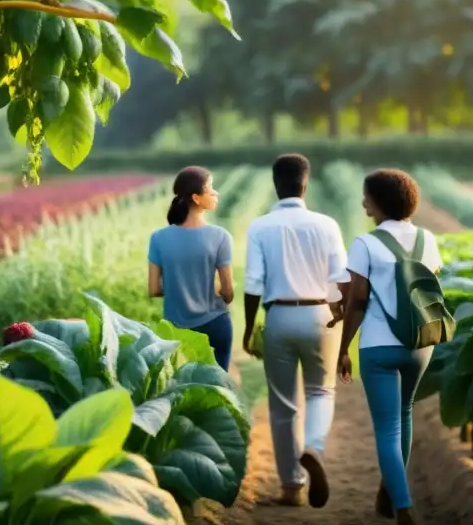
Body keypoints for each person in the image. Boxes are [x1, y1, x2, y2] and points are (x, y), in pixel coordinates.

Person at [335, 169, 444, 525]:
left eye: (366, 195)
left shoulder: (365, 244)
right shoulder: (428, 239)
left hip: (379, 347)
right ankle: (390, 490)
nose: (363, 201)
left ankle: (403, 506)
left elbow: (357, 300)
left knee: (386, 428)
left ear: (377, 202)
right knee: (405, 413)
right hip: (420, 344)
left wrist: (343, 348)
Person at [242, 153, 349, 509]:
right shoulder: (327, 225)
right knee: (321, 391)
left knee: (283, 405)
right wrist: (341, 325)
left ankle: (291, 485)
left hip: (280, 317)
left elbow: (254, 283)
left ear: (276, 185)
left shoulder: (260, 227)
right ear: (305, 184)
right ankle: (314, 447)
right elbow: (340, 281)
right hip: (321, 314)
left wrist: (248, 327)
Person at [148, 166, 235, 372]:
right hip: (215, 324)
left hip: (176, 329)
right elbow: (228, 292)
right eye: (211, 188)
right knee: (217, 389)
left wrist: (179, 287)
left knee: (181, 389)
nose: (216, 193)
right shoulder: (221, 236)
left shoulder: (158, 238)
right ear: (196, 198)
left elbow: (153, 289)